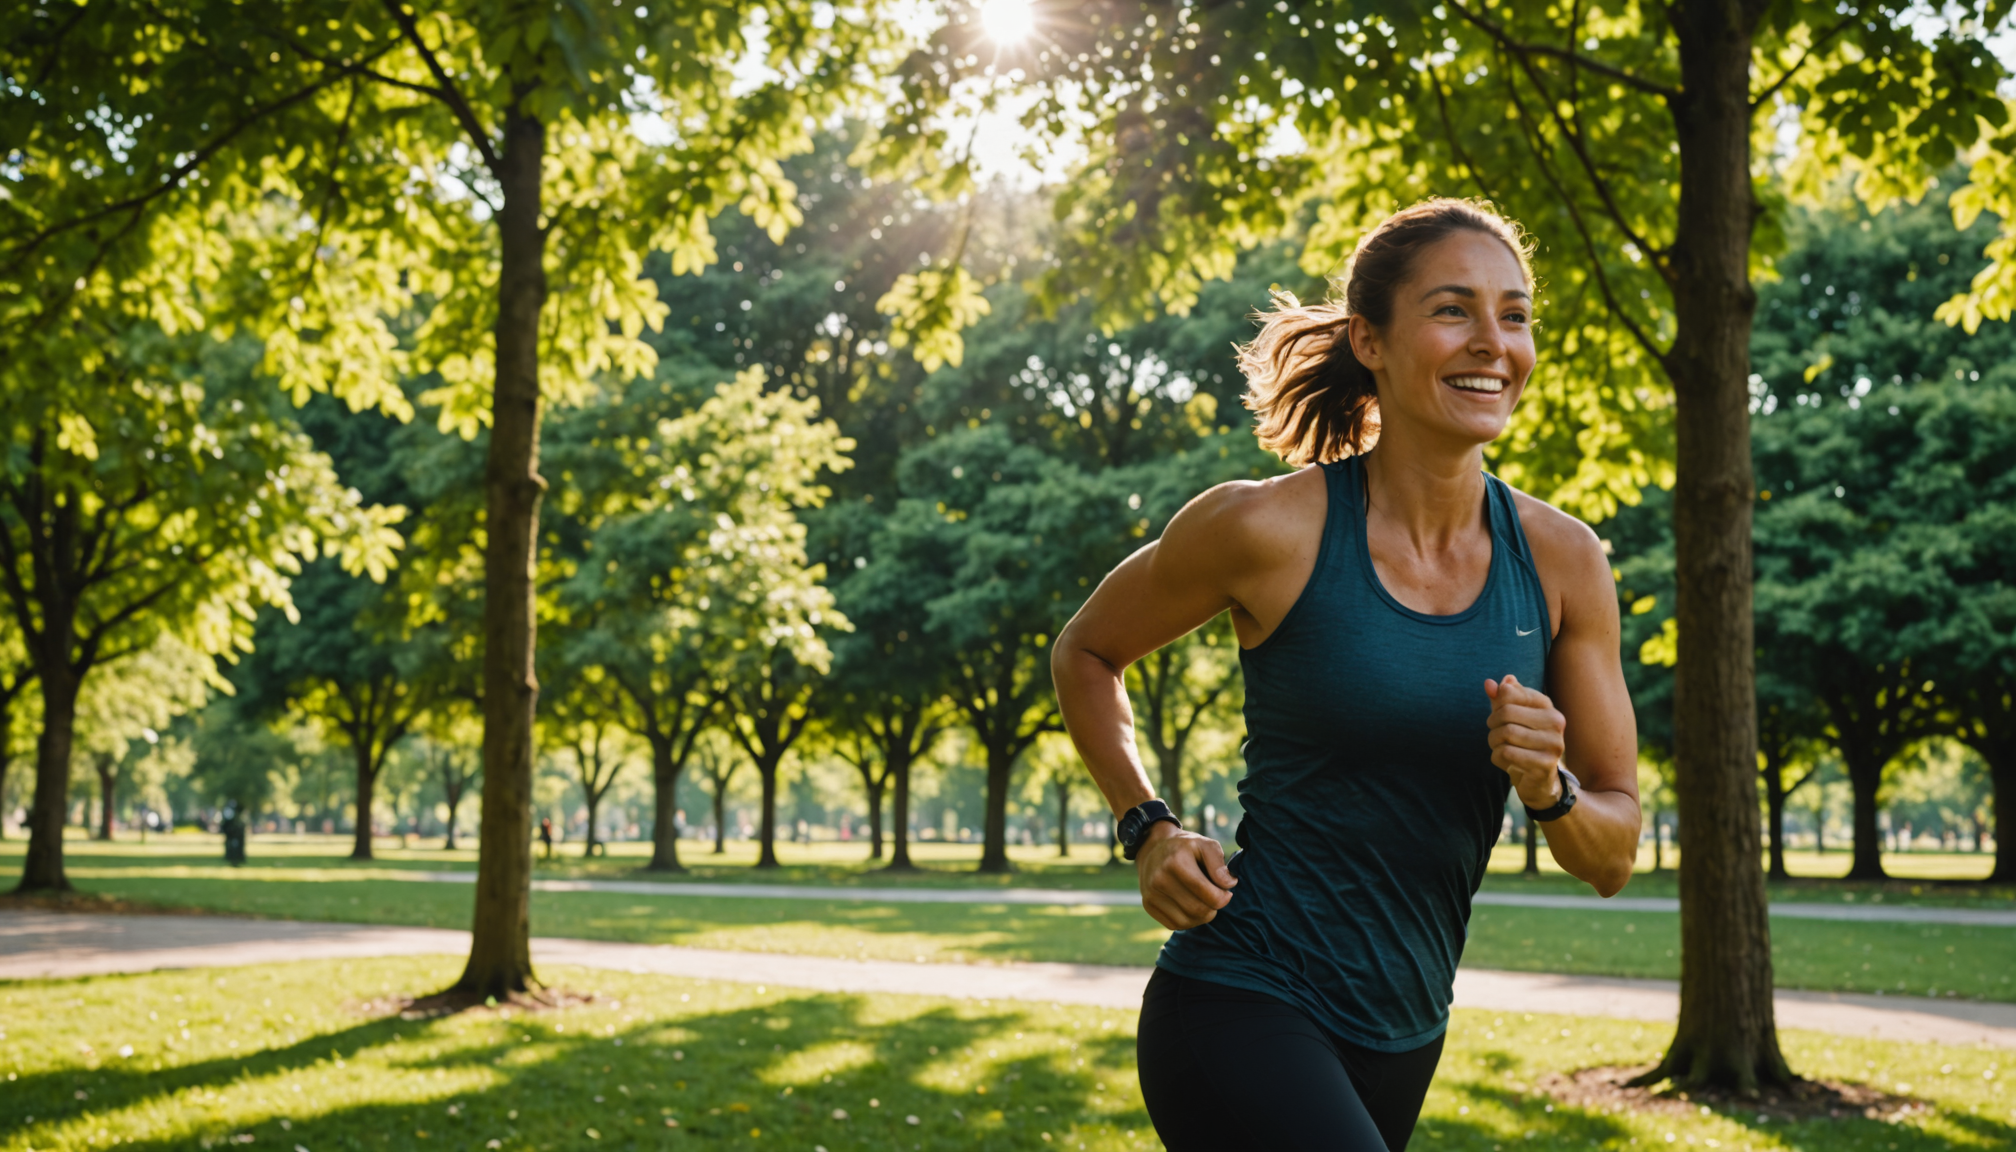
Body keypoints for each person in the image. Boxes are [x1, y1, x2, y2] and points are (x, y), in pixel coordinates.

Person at [1052, 199, 1642, 1152]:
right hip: (1240, 995)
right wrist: (1146, 824)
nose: (1494, 342)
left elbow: (1612, 854)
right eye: (1454, 310)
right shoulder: (1264, 529)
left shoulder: (1565, 562)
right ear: (1370, 338)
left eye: (1516, 314)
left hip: (1406, 1029)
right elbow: (1085, 651)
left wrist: (1549, 785)